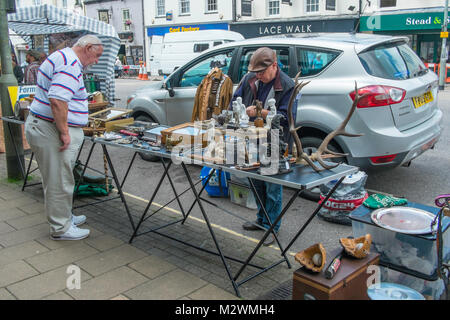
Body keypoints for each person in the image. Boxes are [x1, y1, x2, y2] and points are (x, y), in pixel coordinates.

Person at [24, 34, 104, 240]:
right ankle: (61, 228)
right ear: (87, 48)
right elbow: (58, 100)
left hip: (44, 126)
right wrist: (64, 132)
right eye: (96, 56)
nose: (96, 61)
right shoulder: (70, 64)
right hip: (50, 129)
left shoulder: (61, 56)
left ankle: (64, 216)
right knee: (59, 180)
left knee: (56, 178)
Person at [231, 47, 294, 246]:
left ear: (274, 65)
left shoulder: (287, 85)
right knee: (255, 181)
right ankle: (261, 220)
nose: (258, 75)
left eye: (262, 72)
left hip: (275, 140)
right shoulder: (250, 79)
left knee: (272, 186)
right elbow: (234, 100)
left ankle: (272, 228)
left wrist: (260, 112)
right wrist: (239, 111)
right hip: (252, 138)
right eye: (256, 72)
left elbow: (286, 117)